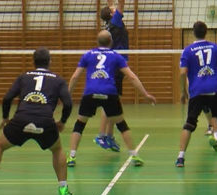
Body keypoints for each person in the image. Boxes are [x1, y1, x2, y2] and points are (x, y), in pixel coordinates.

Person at [0, 48, 73, 195]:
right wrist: (62, 122)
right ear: (50, 61)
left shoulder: (24, 77)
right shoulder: (58, 80)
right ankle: (63, 190)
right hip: (44, 121)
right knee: (57, 149)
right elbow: (68, 103)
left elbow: (7, 98)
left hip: (21, 120)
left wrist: (5, 118)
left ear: (33, 62)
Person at [66, 30, 156, 167]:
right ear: (111, 42)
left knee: (80, 124)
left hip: (90, 93)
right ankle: (134, 155)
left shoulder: (88, 55)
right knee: (121, 125)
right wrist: (145, 95)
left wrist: (67, 95)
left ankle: (72, 157)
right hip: (109, 93)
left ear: (97, 42)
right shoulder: (116, 56)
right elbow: (132, 77)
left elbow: (75, 77)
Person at [176, 21, 217, 168]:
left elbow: (182, 73)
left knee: (189, 123)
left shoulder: (187, 50)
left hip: (197, 91)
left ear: (193, 33)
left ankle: (180, 158)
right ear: (206, 32)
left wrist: (183, 92)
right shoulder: (215, 47)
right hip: (215, 89)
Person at [95, 0, 129, 152]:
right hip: (115, 66)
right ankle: (102, 135)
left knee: (113, 102)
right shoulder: (116, 21)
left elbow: (111, 3)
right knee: (110, 102)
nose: (115, 7)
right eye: (113, 8)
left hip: (114, 65)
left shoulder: (110, 22)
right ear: (112, 14)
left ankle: (108, 136)